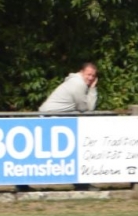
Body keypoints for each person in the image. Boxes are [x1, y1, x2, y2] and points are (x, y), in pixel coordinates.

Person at [22, 62, 100, 192]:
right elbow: (87, 109)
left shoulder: (75, 81)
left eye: (93, 75)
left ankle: (81, 183)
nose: (91, 78)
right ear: (81, 72)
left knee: (56, 152)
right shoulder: (78, 84)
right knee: (62, 152)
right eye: (88, 74)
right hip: (50, 119)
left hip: (52, 118)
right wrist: (92, 89)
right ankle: (81, 184)